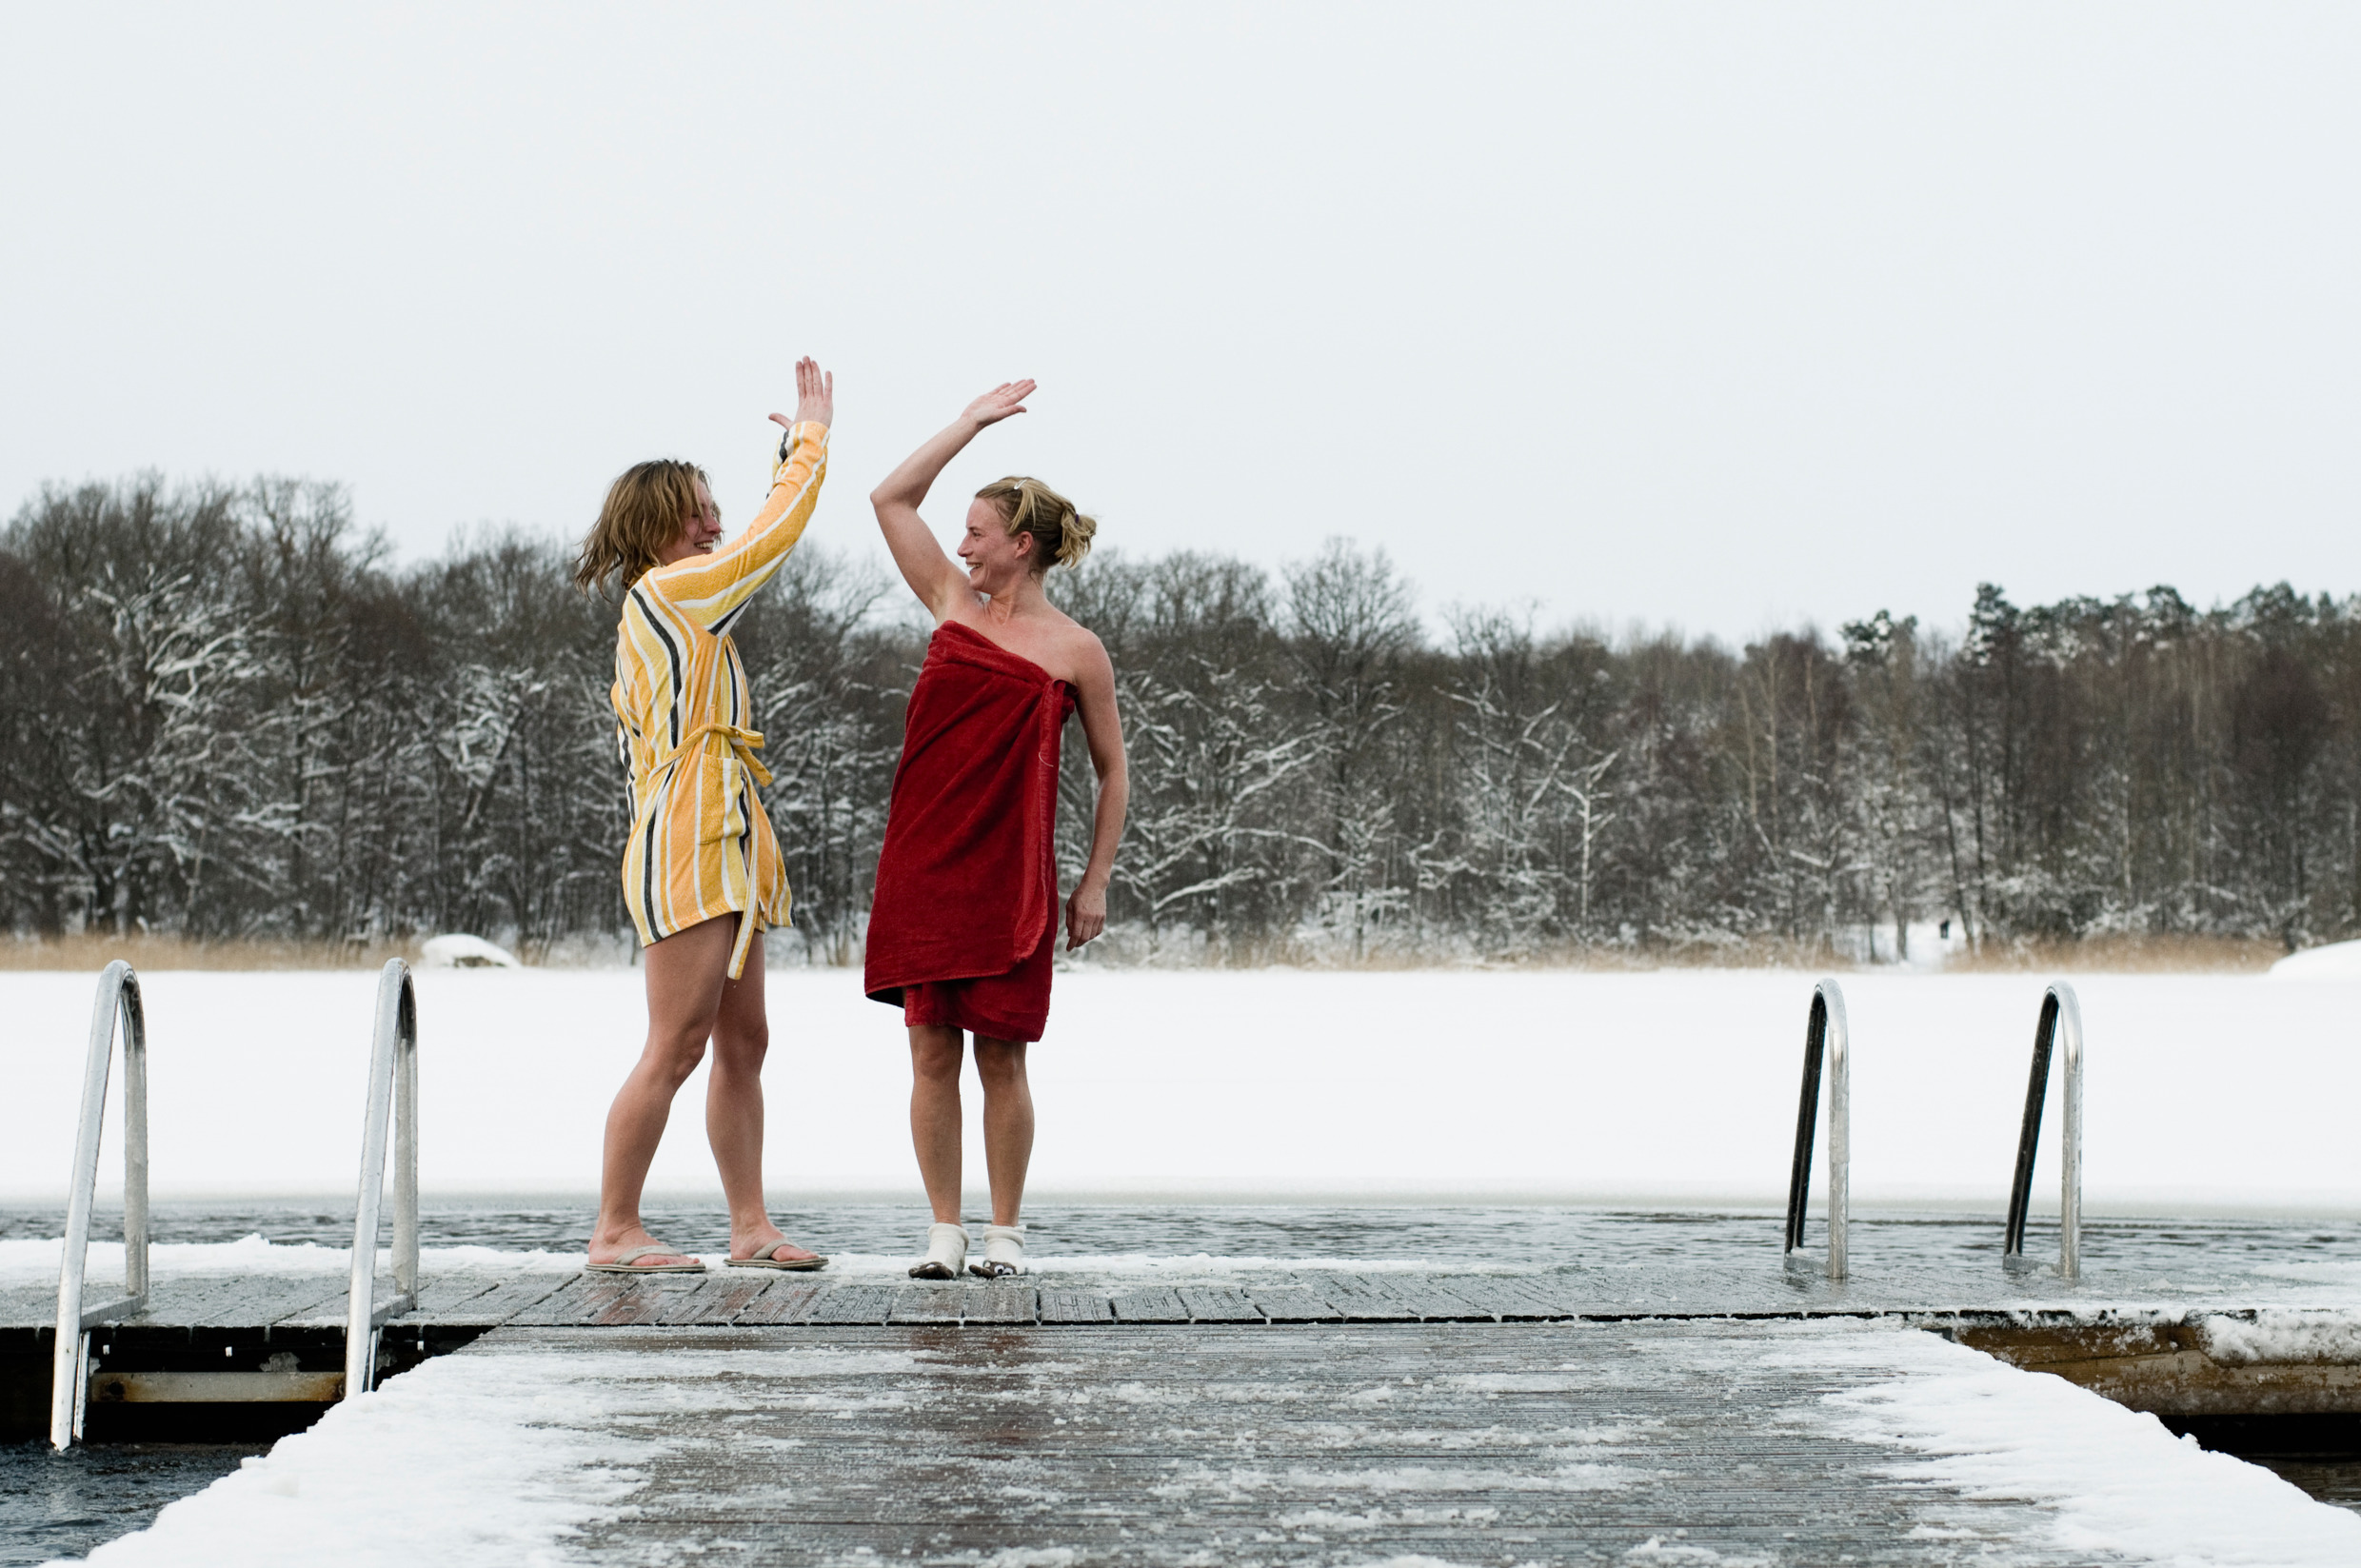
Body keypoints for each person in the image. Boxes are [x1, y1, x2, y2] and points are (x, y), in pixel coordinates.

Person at [571, 356, 835, 1275]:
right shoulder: (669, 592)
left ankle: (750, 1226)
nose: (712, 521)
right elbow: (771, 541)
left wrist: (778, 462)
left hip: (720, 826)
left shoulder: (682, 603)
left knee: (743, 1039)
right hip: (687, 831)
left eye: (713, 503)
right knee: (676, 1042)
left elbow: (747, 538)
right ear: (656, 525)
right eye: (695, 507)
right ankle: (614, 1229)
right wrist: (808, 445)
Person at [865, 381, 1129, 1280]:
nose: (962, 543)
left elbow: (1113, 771)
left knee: (1002, 1056)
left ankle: (1005, 1237)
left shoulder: (1076, 649)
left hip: (1010, 876)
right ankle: (945, 1233)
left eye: (977, 531)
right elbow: (889, 499)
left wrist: (1092, 881)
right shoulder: (951, 604)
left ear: (1022, 546)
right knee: (929, 1048)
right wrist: (969, 423)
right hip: (924, 864)